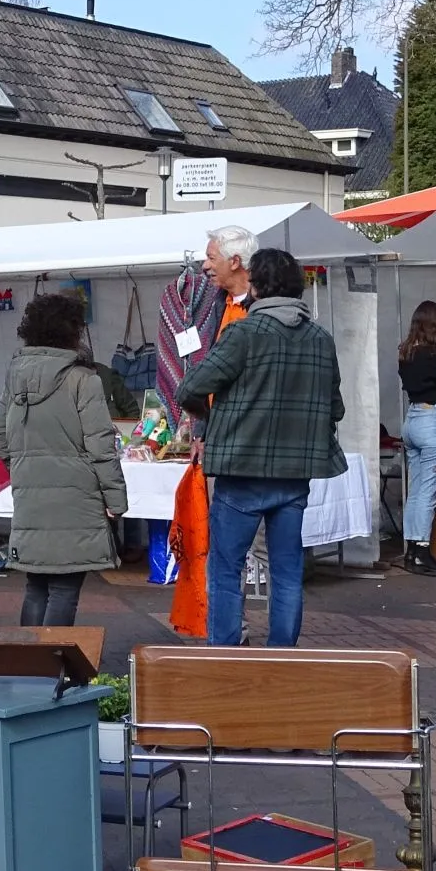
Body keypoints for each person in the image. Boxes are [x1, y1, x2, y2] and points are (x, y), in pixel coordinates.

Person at [177, 248, 345, 647]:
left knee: (226, 569)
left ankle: (227, 655)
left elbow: (190, 388)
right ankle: (282, 658)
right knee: (286, 571)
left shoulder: (244, 332)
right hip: (295, 474)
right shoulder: (321, 338)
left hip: (242, 471)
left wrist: (214, 418)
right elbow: (335, 407)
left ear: (256, 285)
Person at [0, 294, 126, 627]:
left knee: (36, 587)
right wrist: (116, 500)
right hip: (76, 499)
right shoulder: (84, 380)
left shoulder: (14, 376)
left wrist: (26, 470)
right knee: (64, 589)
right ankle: (54, 667)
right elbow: (101, 447)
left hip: (29, 495)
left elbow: (0, 442)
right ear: (73, 331)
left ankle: (30, 666)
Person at [396, 300, 436, 576]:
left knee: (416, 489)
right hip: (433, 419)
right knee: (429, 492)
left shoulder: (405, 352)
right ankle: (422, 551)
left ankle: (410, 551)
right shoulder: (434, 355)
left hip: (412, 419)